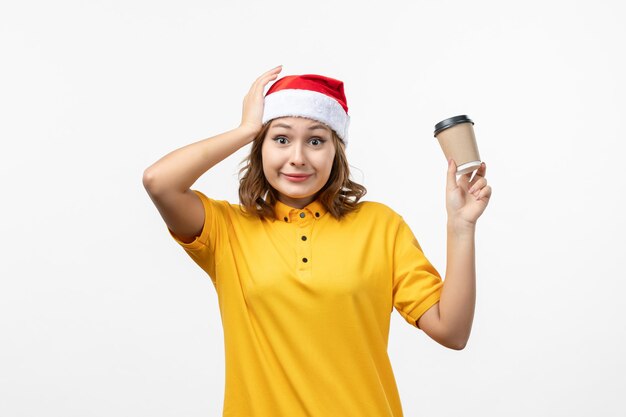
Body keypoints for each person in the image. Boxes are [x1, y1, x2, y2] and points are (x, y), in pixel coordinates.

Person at [142, 65, 492, 417]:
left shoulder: (380, 226)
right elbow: (159, 181)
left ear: (335, 151)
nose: (298, 157)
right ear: (259, 147)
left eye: (315, 140)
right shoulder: (226, 229)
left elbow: (452, 331)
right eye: (280, 138)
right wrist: (247, 128)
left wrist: (461, 227)